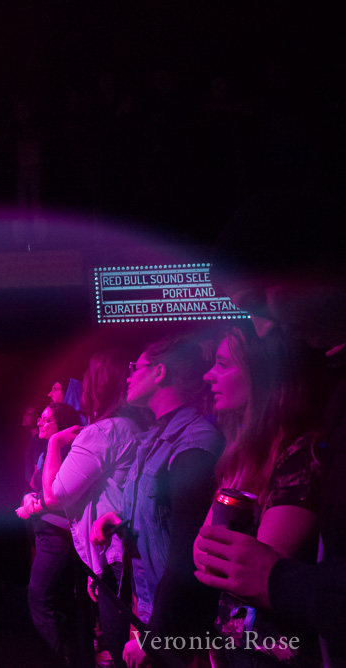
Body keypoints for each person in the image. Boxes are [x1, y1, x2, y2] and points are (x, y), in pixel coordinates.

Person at [193, 191, 346, 667]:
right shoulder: (246, 447)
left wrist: (280, 581)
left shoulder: (303, 447)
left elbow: (248, 570)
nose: (263, 327)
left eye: (258, 301)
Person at [91, 334, 225, 668]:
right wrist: (117, 518)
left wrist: (156, 638)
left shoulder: (194, 444)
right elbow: (159, 514)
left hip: (175, 628)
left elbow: (186, 555)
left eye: (136, 367)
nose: (129, 375)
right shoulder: (155, 439)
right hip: (150, 612)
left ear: (160, 372)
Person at [199, 322, 326, 667]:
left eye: (223, 365)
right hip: (236, 646)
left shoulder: (302, 455)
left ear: (265, 374)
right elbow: (203, 555)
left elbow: (245, 574)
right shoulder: (240, 454)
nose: (209, 376)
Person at [40, 349, 151, 668]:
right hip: (124, 553)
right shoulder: (130, 426)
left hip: (116, 555)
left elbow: (53, 497)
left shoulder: (102, 432)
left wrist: (53, 444)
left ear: (97, 385)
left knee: (121, 653)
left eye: (88, 377)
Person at [16, 402, 89, 667]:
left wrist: (35, 503)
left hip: (58, 536)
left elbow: (55, 496)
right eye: (41, 419)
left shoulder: (70, 454)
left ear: (66, 426)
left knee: (40, 598)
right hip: (46, 532)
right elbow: (38, 488)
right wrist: (29, 498)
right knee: (56, 601)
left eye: (47, 420)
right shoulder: (46, 450)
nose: (40, 423)